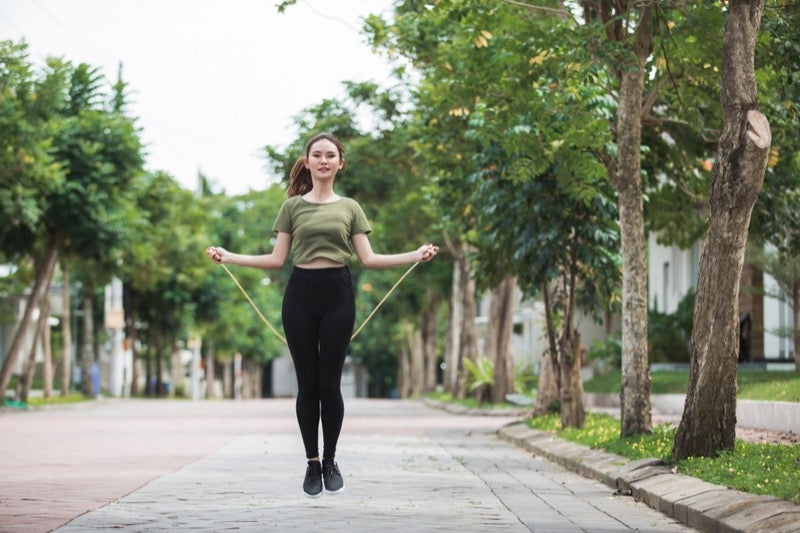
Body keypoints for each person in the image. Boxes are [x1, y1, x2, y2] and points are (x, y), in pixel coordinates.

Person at [205, 132, 438, 498]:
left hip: (338, 294)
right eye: (317, 155)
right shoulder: (292, 208)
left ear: (340, 163)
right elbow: (277, 259)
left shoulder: (350, 208)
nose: (324, 160)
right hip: (300, 294)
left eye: (331, 155)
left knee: (329, 384)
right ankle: (311, 462)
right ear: (308, 161)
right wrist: (229, 256)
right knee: (308, 385)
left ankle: (330, 460)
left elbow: (369, 259)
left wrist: (415, 254)